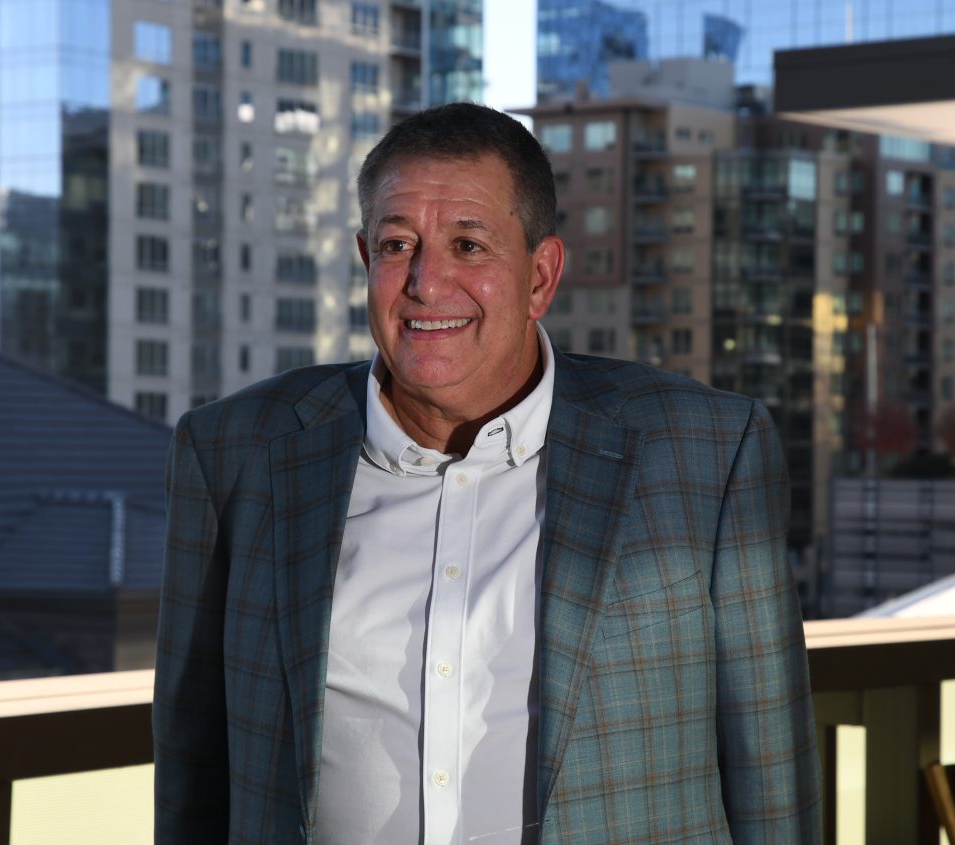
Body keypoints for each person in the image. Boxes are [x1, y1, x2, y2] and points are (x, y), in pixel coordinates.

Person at [154, 102, 820, 844]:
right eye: (397, 244)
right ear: (363, 258)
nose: (427, 282)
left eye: (469, 245)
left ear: (541, 275)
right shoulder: (235, 453)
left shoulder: (705, 453)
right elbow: (193, 773)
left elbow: (774, 781)